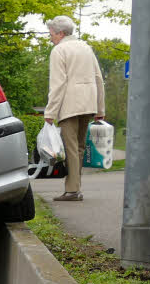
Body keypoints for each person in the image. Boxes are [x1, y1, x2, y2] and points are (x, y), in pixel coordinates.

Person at [43, 15, 105, 202]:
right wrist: (100, 108)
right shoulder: (86, 47)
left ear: (60, 33)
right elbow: (98, 78)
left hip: (70, 104)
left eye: (52, 34)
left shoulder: (59, 50)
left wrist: (50, 112)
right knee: (78, 147)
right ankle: (75, 188)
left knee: (70, 148)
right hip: (89, 103)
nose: (51, 37)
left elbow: (58, 84)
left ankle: (72, 191)